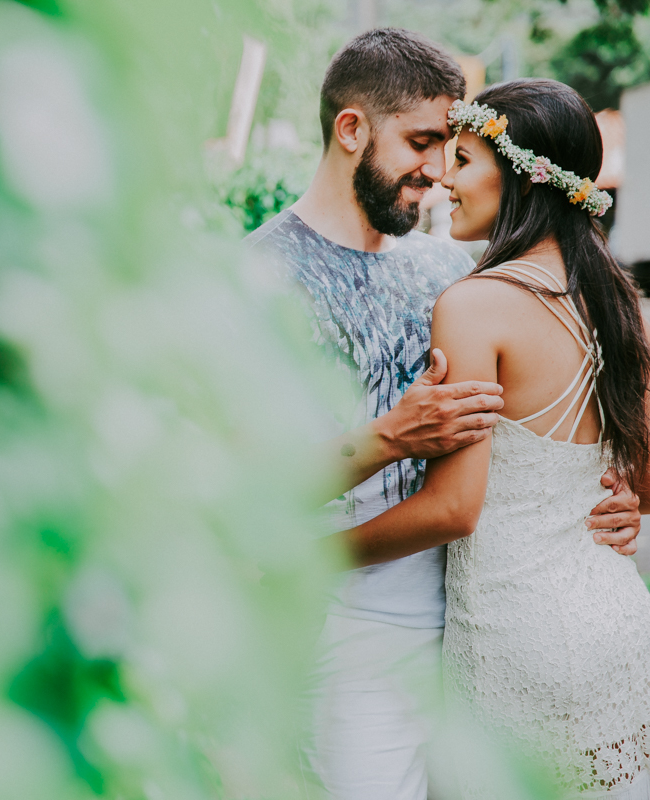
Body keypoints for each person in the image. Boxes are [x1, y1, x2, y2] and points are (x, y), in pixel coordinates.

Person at [244, 30, 642, 799]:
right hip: (365, 636)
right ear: (351, 129)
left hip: (485, 626)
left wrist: (618, 491)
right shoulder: (258, 277)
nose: (437, 173)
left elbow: (518, 453)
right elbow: (248, 486)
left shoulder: (450, 270)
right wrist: (388, 440)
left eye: (453, 152)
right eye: (425, 143)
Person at [351, 78, 650, 796]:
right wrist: (630, 503)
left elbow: (455, 509)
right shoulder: (619, 299)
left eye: (463, 161)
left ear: (520, 175)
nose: (443, 182)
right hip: (618, 620)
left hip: (517, 640)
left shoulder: (476, 304)